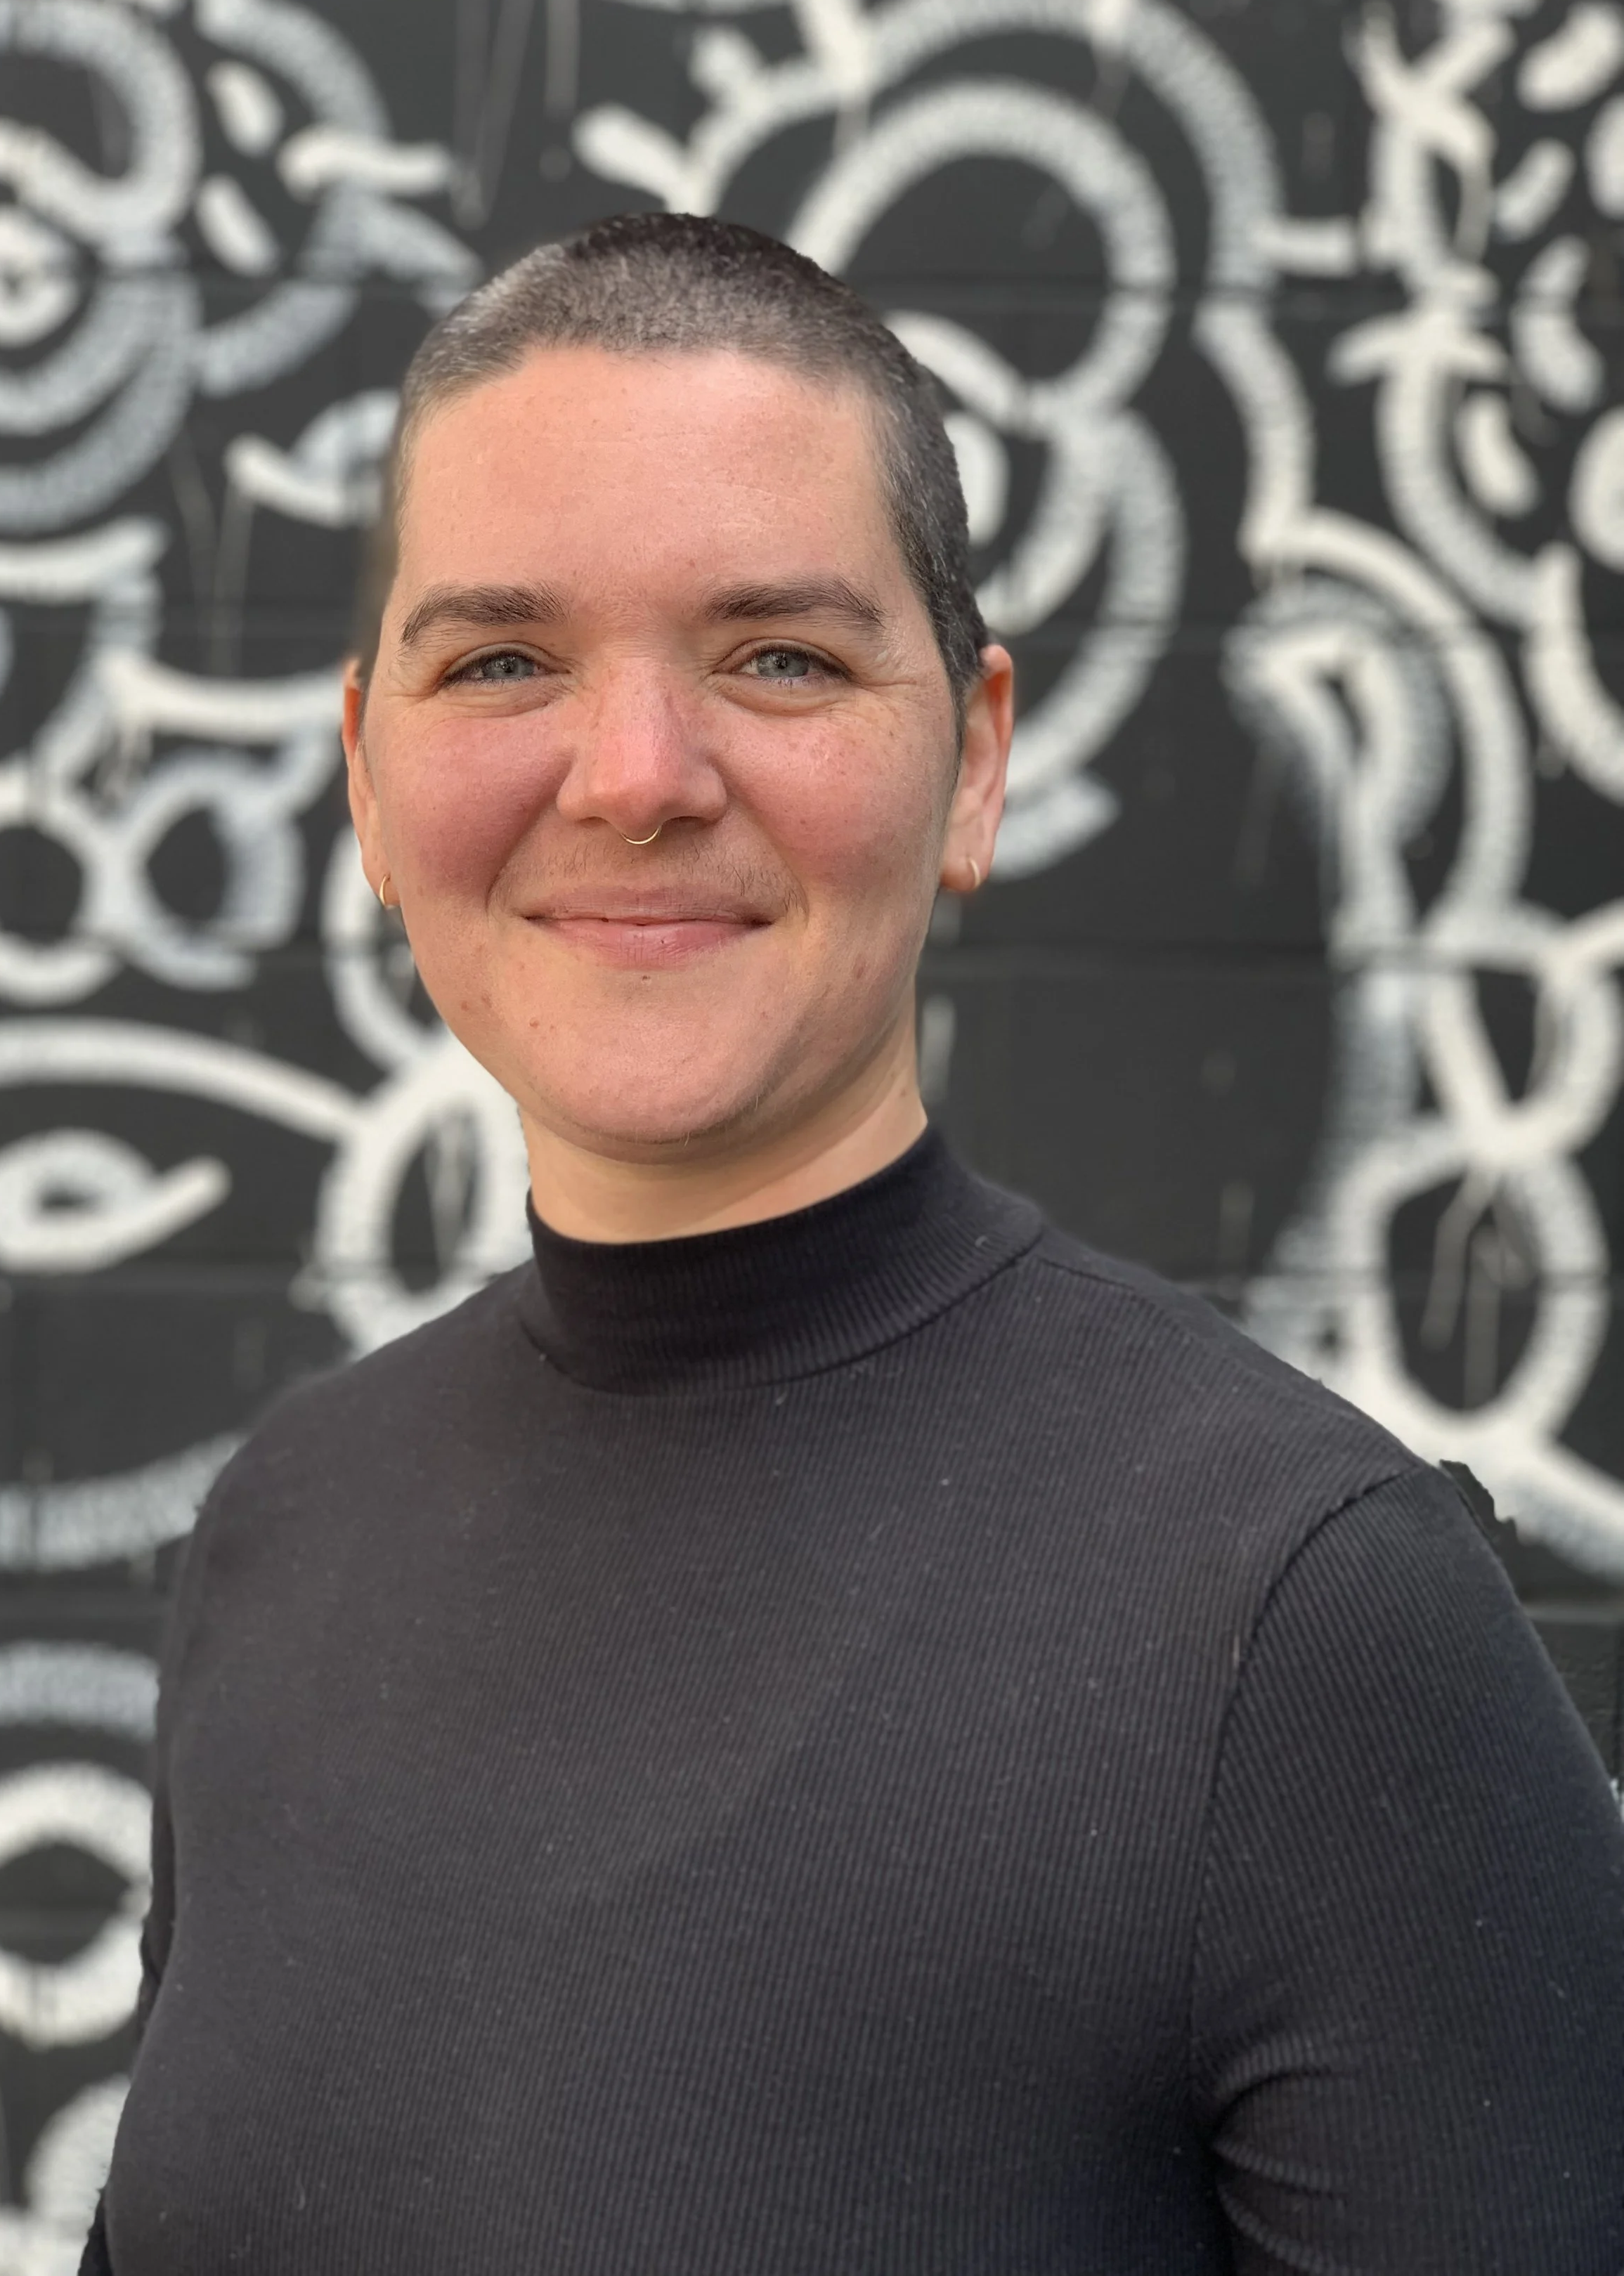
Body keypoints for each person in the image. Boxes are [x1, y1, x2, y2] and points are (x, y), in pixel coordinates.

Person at [84, 214, 1624, 2273]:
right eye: (504, 660)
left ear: (970, 756)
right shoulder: (282, 1531)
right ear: (366, 771)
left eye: (779, 655)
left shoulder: (1306, 1633)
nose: (634, 776)